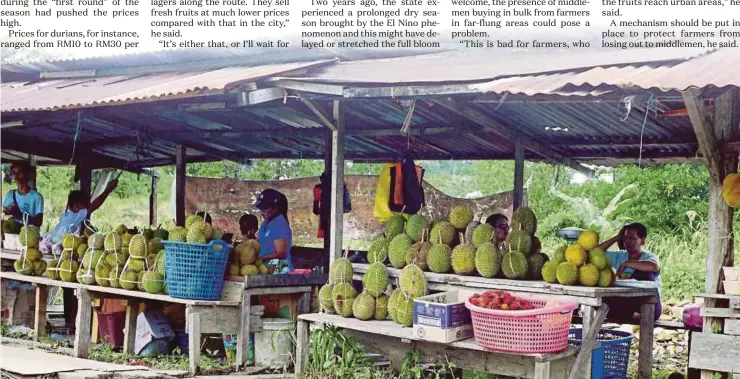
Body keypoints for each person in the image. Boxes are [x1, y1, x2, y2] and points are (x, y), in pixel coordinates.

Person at [599, 222, 662, 322]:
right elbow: (596, 252)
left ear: (643, 240)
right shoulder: (619, 256)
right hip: (626, 305)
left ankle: (635, 314)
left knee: (645, 273)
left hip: (650, 307)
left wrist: (628, 263)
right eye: (625, 239)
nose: (628, 242)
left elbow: (654, 266)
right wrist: (616, 238)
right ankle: (627, 314)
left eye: (633, 238)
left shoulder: (649, 257)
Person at [41, 180, 118, 252]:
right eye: (85, 206)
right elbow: (95, 204)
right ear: (76, 206)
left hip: (53, 240)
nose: (87, 208)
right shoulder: (75, 216)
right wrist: (108, 189)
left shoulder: (67, 214)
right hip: (58, 246)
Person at [254, 188, 293, 272]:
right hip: (266, 266)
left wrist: (261, 258)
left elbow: (281, 253)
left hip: (280, 267)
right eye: (261, 209)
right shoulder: (266, 222)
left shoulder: (280, 224)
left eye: (265, 209)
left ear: (275, 208)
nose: (262, 212)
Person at [2, 162, 44, 227]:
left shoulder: (37, 197)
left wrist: (20, 215)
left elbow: (38, 222)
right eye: (14, 173)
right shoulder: (10, 195)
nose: (16, 176)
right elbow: (5, 214)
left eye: (19, 172)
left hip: (29, 235)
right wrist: (8, 212)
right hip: (12, 235)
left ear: (26, 174)